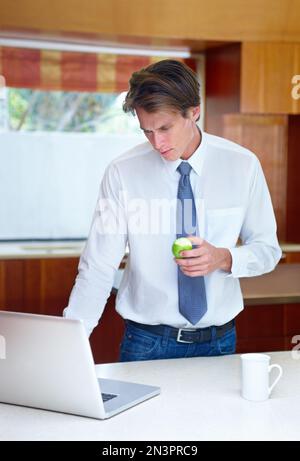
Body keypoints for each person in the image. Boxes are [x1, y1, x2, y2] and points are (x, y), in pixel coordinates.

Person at [64, 59, 282, 361]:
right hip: (146, 343)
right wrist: (70, 342)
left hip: (220, 343)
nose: (157, 142)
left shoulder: (242, 165)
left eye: (165, 128)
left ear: (194, 112)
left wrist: (224, 257)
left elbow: (267, 250)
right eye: (147, 131)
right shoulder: (122, 172)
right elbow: (98, 265)